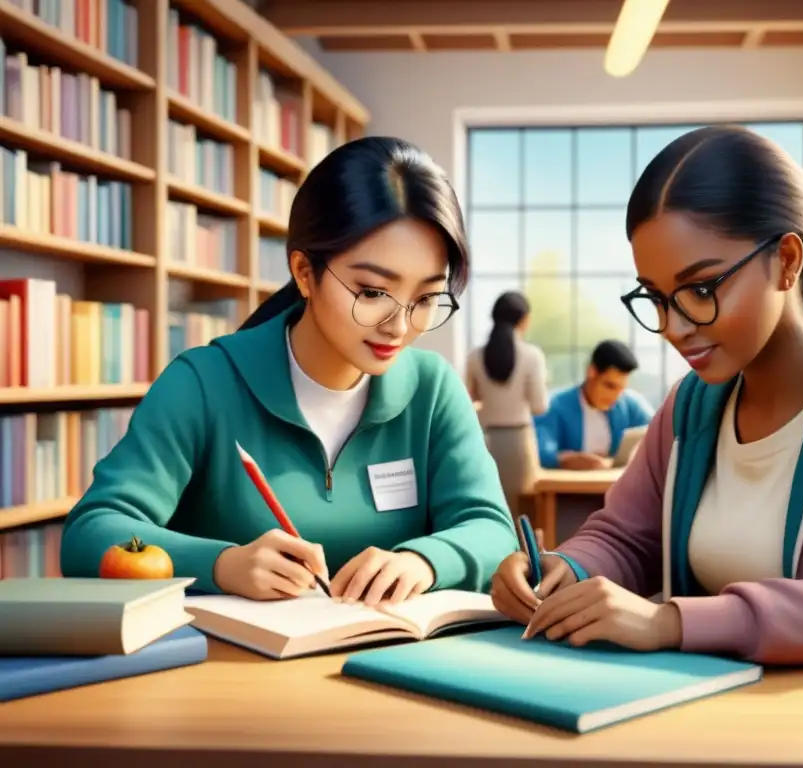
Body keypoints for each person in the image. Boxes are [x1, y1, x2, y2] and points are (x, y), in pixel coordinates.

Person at [490, 125, 803, 665]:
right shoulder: (688, 409)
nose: (674, 326)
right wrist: (563, 569)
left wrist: (671, 622)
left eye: (701, 289)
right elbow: (628, 538)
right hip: (694, 715)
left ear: (786, 261)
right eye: (657, 297)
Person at [61, 137, 518, 605]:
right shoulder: (203, 382)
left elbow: (492, 530)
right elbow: (91, 533)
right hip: (229, 671)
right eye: (373, 292)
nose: (399, 325)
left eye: (425, 298)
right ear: (303, 272)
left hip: (393, 663)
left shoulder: (432, 389)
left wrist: (425, 561)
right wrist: (221, 565)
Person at [466, 291, 549, 516]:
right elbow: (539, 406)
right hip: (519, 442)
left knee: (488, 509)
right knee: (522, 513)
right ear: (524, 320)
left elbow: (467, 402)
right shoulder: (532, 355)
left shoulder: (475, 356)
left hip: (485, 440)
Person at [534, 340, 654, 470]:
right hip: (568, 487)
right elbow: (541, 451)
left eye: (621, 389)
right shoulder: (554, 405)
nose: (615, 396)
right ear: (591, 372)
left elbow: (658, 433)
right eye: (610, 386)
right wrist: (565, 460)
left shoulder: (629, 404)